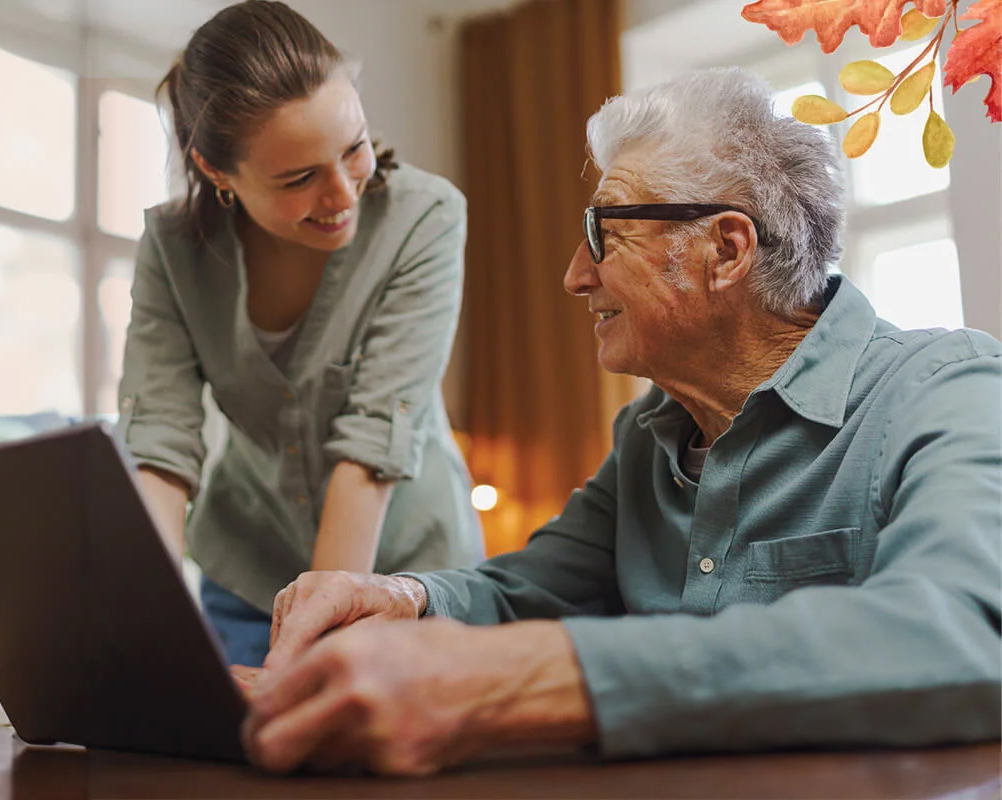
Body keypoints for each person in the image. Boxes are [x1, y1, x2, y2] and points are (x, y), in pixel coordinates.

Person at [240, 67, 1002, 775]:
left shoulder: (945, 391)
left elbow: (963, 636)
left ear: (725, 249)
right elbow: (526, 594)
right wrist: (404, 598)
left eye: (604, 230)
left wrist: (532, 682)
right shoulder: (646, 435)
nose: (574, 274)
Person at [114, 0, 484, 669]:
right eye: (299, 178)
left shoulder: (422, 217)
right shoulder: (173, 249)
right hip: (248, 576)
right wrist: (141, 620)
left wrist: (311, 650)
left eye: (354, 149)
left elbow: (374, 442)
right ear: (216, 172)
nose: (342, 193)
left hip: (411, 581)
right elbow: (161, 446)